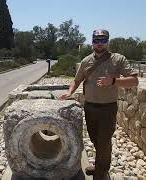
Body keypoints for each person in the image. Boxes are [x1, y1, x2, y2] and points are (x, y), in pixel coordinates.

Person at [59, 29, 139, 180]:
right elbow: (77, 80)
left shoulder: (118, 59)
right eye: (97, 40)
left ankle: (101, 173)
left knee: (104, 141)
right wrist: (69, 92)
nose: (100, 44)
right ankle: (100, 165)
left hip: (108, 108)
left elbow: (134, 81)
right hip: (90, 107)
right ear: (92, 42)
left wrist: (114, 81)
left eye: (103, 40)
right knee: (95, 139)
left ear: (108, 42)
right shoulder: (86, 61)